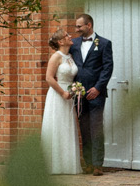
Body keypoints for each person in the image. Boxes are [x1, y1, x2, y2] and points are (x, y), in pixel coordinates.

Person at [69, 12, 113, 175]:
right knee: (84, 129)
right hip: (79, 94)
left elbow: (107, 68)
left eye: (79, 26)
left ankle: (97, 165)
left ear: (89, 25)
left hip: (96, 94)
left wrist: (98, 88)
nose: (76, 29)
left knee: (96, 129)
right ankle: (87, 163)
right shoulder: (73, 43)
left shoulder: (104, 43)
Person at [40, 32, 80, 175]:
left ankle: (67, 165)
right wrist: (63, 93)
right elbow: (49, 78)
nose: (70, 36)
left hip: (69, 95)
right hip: (58, 95)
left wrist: (75, 89)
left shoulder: (71, 56)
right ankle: (54, 165)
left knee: (66, 127)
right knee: (57, 126)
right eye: (66, 36)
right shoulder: (56, 56)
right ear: (60, 42)